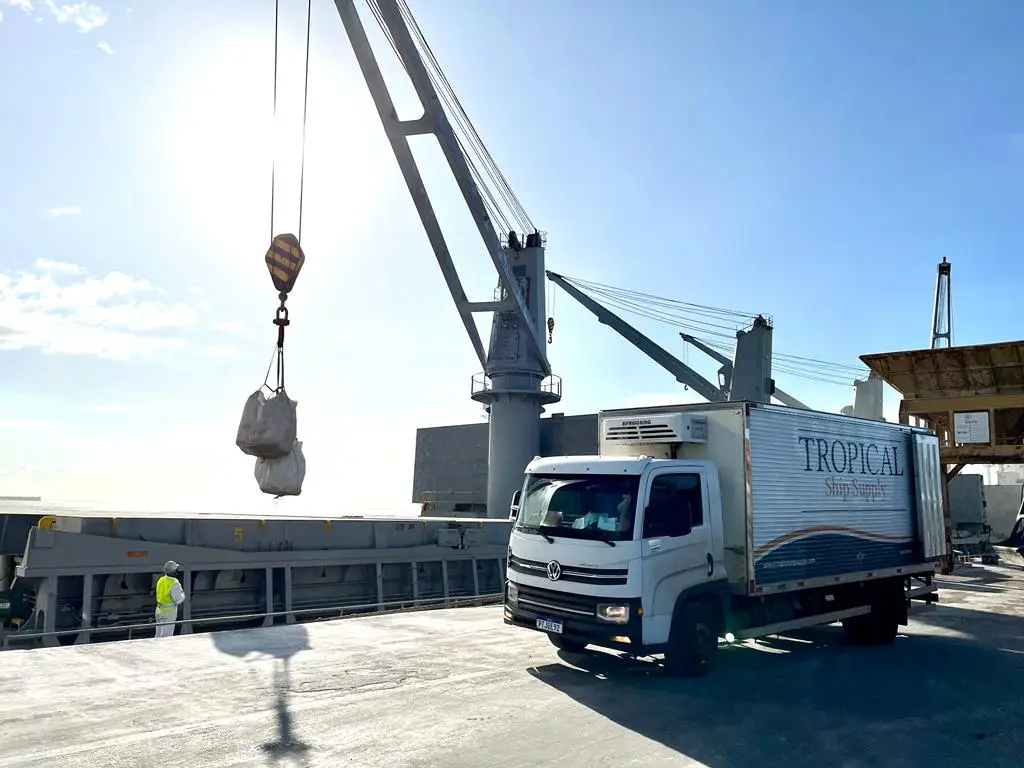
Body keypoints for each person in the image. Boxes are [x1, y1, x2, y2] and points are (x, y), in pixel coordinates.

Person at [154, 560, 186, 638]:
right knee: (166, 636)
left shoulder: (161, 580)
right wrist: (183, 594)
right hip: (169, 612)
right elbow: (178, 599)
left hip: (159, 610)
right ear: (174, 572)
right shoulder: (174, 583)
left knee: (158, 634)